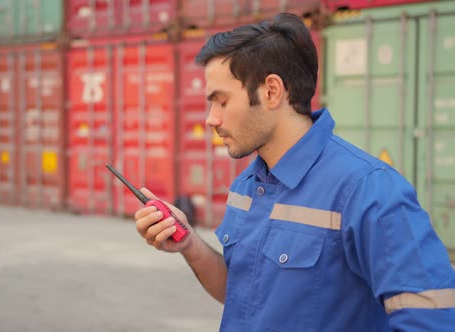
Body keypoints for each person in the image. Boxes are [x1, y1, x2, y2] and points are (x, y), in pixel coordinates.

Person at [133, 12, 455, 332]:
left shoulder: (368, 190)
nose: (211, 119)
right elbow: (243, 294)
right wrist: (189, 243)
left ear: (272, 91)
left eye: (222, 102)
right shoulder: (247, 185)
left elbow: (433, 317)